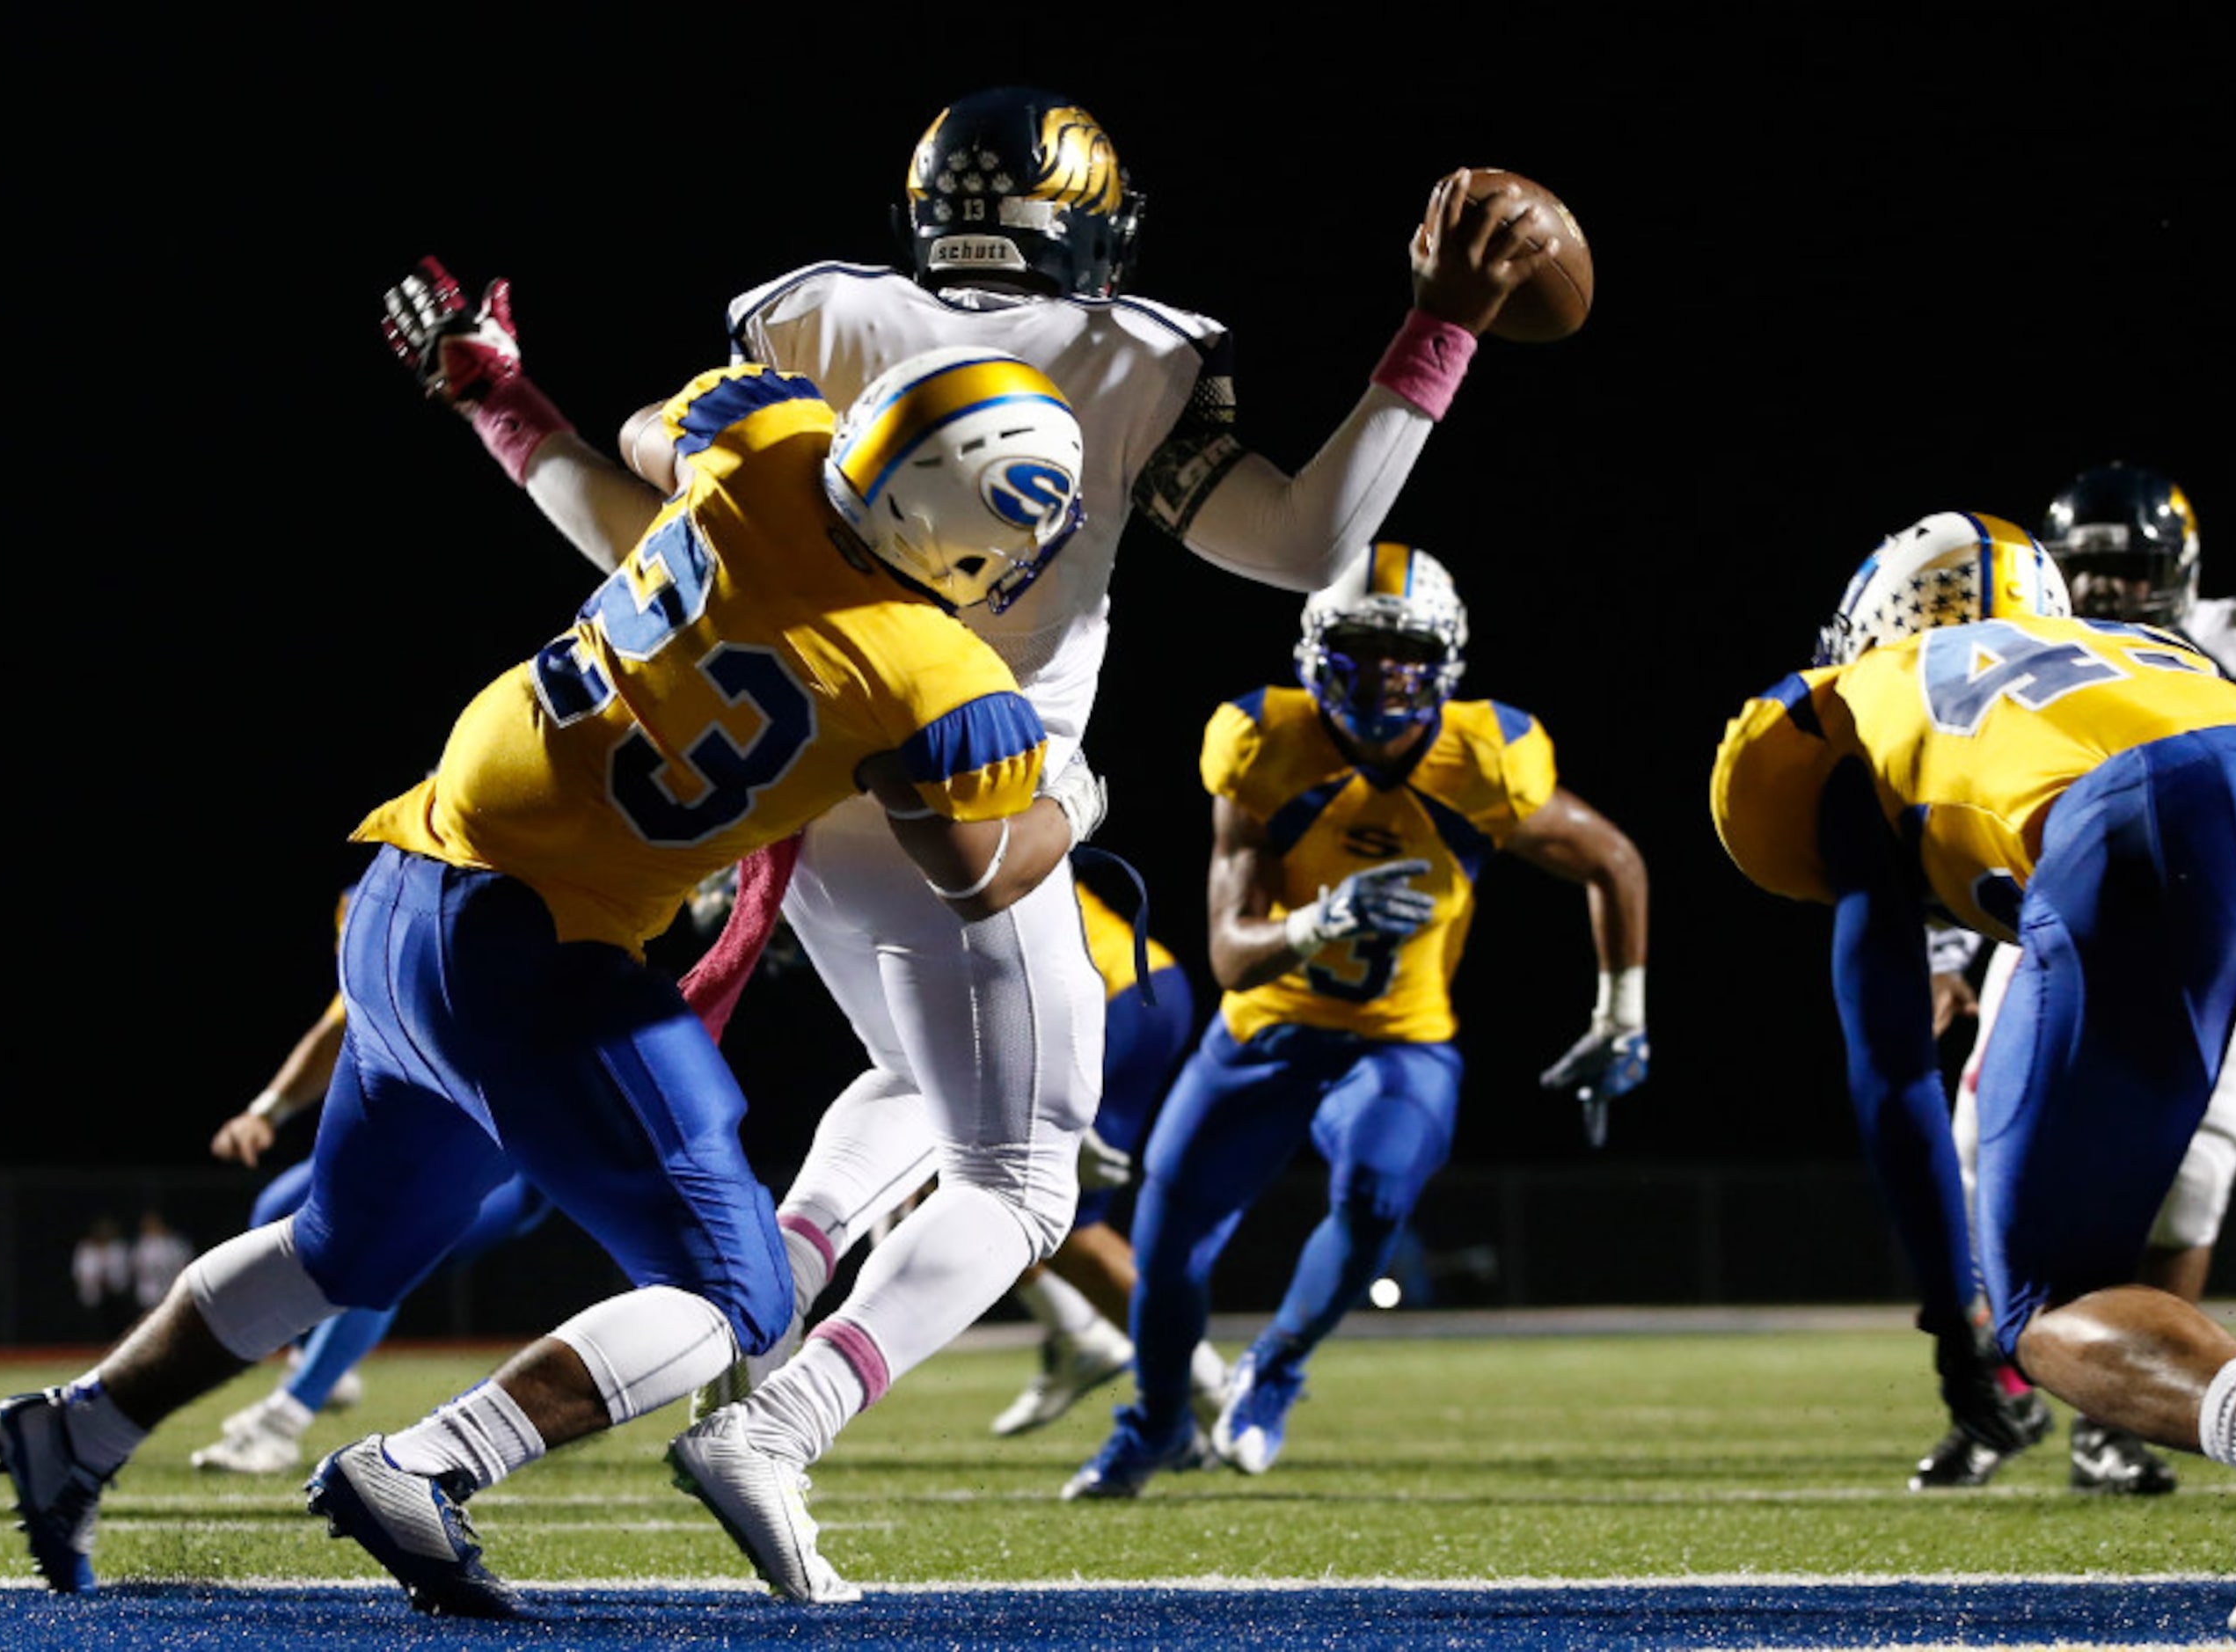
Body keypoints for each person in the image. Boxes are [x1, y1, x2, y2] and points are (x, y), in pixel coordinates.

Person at [386, 87, 1550, 1567]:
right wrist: (1435, 328)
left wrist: (507, 401)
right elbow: (1309, 544)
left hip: (801, 802)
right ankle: (776, 1419)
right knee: (1028, 1173)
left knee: (912, 1084)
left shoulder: (810, 321)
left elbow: (637, 528)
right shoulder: (1139, 353)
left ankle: (777, 1275)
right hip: (984, 790)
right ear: (1092, 224)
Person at [0, 347, 1100, 1614]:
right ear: (972, 526)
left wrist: (526, 404)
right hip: (541, 954)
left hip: (410, 883)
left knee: (340, 1247)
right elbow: (974, 870)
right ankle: (427, 1462)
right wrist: (1069, 801)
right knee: (732, 1298)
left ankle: (80, 1426)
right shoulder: (934, 673)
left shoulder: (764, 439)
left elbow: (632, 436)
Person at [1710, 510, 2236, 1634]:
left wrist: (1954, 1324)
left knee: (2043, 1302)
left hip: (2159, 825)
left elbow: (1891, 1068)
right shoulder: (2141, 652)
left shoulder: (1866, 695)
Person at [1066, 543, 1652, 1498]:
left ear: (1444, 660)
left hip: (1396, 1040)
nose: (1382, 673)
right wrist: (1319, 920)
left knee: (1379, 1194)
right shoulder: (1263, 743)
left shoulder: (1486, 757)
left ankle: (1275, 1370)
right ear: (1313, 648)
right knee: (1168, 1253)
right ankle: (1158, 1424)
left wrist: (1620, 1014)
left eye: (1404, 651)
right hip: (1261, 1035)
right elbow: (1226, 952)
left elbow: (1614, 862)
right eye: (1359, 646)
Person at [1918, 464, 2236, 1495]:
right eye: (2087, 571)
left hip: (2223, 929)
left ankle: (2120, 1424)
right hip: (2053, 917)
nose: (2105, 592)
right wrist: (1941, 952)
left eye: (2126, 569)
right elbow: (1951, 799)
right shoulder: (2014, 647)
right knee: (1985, 1157)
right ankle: (2003, 1397)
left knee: (2191, 1174)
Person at [193, 893, 555, 1474]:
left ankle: (283, 1423)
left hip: (510, 1158)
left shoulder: (490, 931)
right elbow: (338, 1025)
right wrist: (266, 1111)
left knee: (388, 1240)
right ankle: (319, 1364)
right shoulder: (376, 908)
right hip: (414, 1140)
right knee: (278, 1209)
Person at [988, 875, 1232, 1442]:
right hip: (1133, 987)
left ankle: (1094, 1343)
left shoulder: (905, 815)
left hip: (1096, 996)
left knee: (960, 1183)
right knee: (1066, 1228)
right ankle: (1204, 1392)